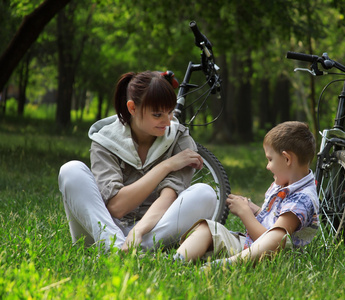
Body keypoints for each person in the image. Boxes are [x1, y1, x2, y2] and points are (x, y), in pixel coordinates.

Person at [58, 70, 216, 253]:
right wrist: (167, 165)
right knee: (71, 170)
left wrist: (138, 231)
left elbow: (168, 196)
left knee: (206, 193)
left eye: (170, 112)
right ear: (132, 108)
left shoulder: (179, 138)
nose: (167, 121)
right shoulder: (105, 140)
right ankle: (115, 247)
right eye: (157, 115)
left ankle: (127, 251)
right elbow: (117, 207)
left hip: (151, 230)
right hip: (104, 228)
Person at [174, 121, 319, 266]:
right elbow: (272, 220)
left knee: (277, 236)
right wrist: (253, 209)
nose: (267, 166)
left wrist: (245, 213)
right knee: (209, 229)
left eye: (270, 159)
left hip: (269, 256)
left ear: (287, 159)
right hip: (249, 245)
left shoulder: (302, 198)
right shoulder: (285, 184)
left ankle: (228, 264)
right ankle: (178, 261)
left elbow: (273, 240)